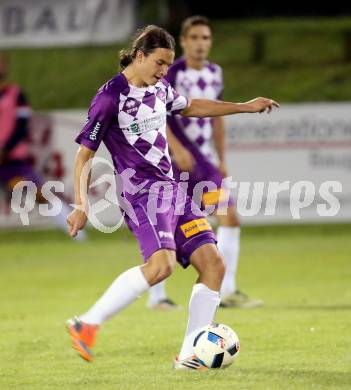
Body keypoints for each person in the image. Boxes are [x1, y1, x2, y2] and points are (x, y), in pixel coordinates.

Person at [66, 25, 279, 369]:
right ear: (139, 56)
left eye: (168, 65)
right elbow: (83, 155)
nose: (165, 72)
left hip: (172, 189)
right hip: (142, 193)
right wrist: (81, 205)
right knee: (161, 267)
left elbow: (192, 106)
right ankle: (86, 323)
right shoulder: (109, 98)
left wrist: (244, 106)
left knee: (213, 263)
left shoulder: (160, 88)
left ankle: (189, 355)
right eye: (160, 63)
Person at [165, 16, 263, 308]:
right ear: (183, 41)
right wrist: (175, 147)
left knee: (228, 216)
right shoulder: (172, 72)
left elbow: (218, 118)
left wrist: (222, 158)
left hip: (204, 163)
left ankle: (227, 289)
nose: (200, 43)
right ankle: (158, 297)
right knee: (166, 224)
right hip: (177, 159)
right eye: (194, 37)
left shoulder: (215, 73)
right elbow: (159, 112)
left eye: (205, 38)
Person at [0, 52, 84, 238]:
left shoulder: (16, 94)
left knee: (37, 193)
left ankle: (77, 232)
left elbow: (22, 125)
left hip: (10, 159)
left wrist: (5, 149)